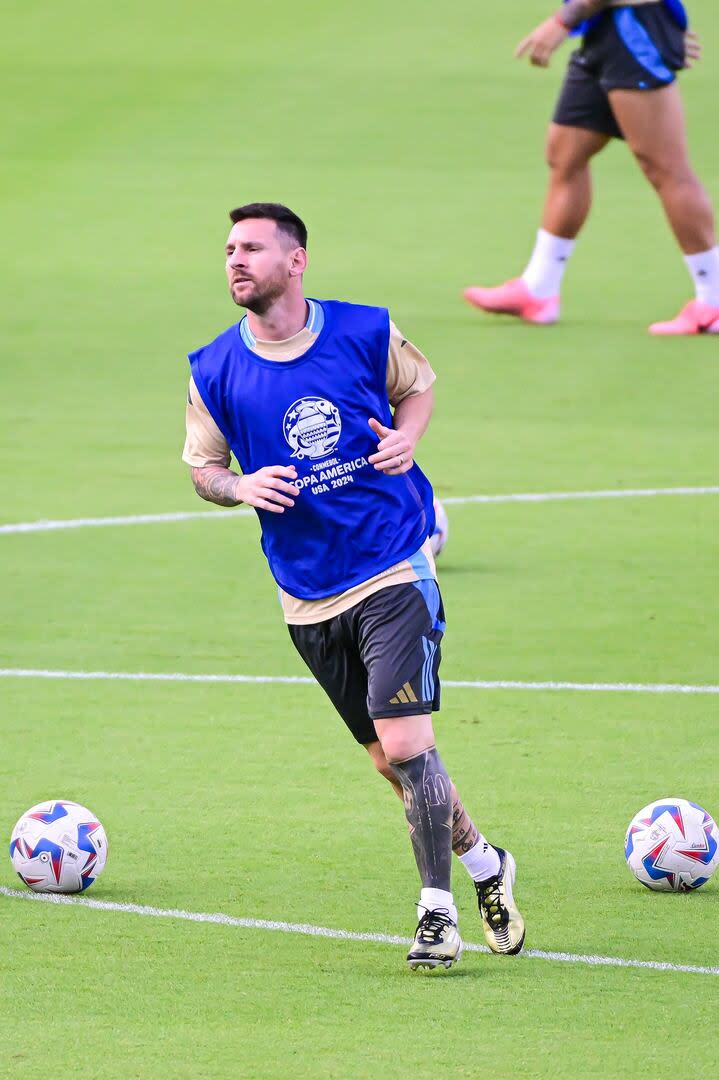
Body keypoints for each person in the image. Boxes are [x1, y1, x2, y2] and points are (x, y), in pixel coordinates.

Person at [183, 202, 525, 970]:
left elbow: (420, 386)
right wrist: (236, 489)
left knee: (407, 742)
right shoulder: (213, 368)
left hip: (392, 564)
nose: (235, 261)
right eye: (229, 249)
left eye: (252, 249)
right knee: (389, 763)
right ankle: (483, 867)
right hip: (305, 591)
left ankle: (435, 914)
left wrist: (408, 437)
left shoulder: (364, 330)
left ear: (296, 262)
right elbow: (202, 468)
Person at [464, 0, 719, 335]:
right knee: (565, 154)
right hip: (603, 26)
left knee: (665, 166)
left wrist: (562, 21)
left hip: (631, 28)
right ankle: (538, 290)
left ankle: (712, 300)